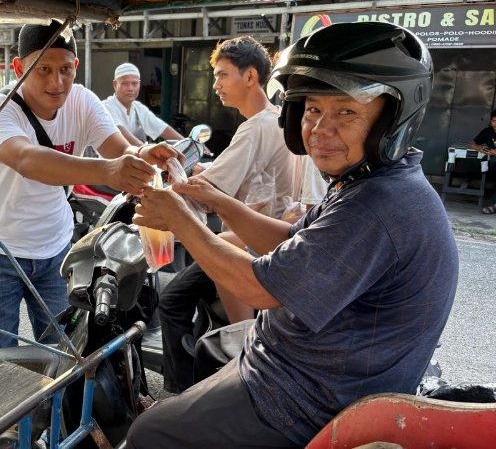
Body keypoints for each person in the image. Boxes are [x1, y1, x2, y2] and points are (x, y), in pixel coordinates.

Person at [127, 22, 458, 448]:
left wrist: (182, 221)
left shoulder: (379, 207)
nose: (320, 129)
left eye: (346, 111)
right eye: (313, 109)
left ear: (393, 120)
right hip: (298, 366)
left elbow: (259, 288)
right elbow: (289, 237)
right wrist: (221, 201)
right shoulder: (372, 182)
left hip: (304, 397)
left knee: (149, 433)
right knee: (209, 348)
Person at [0, 21, 178, 350]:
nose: (57, 82)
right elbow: (26, 159)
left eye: (65, 70)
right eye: (43, 70)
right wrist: (107, 171)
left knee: (65, 347)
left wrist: (144, 155)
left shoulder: (82, 100)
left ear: (76, 67)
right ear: (18, 68)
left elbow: (118, 147)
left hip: (54, 246)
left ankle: (56, 403)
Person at [156, 36, 298, 394]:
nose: (216, 84)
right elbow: (228, 174)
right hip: (276, 233)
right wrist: (202, 172)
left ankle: (180, 391)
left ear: (251, 77)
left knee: (171, 301)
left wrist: (166, 183)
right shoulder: (275, 120)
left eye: (222, 76)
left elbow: (209, 194)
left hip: (259, 243)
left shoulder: (254, 128)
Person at [102, 62, 183, 146]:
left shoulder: (138, 108)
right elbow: (120, 132)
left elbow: (162, 128)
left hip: (138, 157)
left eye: (134, 83)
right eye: (125, 84)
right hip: (115, 159)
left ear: (139, 84)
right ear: (115, 85)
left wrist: (188, 145)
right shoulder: (106, 106)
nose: (130, 88)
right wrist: (146, 149)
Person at [469, 109, 496, 214]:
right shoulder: (487, 131)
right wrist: (479, 148)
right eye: (494, 121)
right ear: (490, 121)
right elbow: (471, 144)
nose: (495, 124)